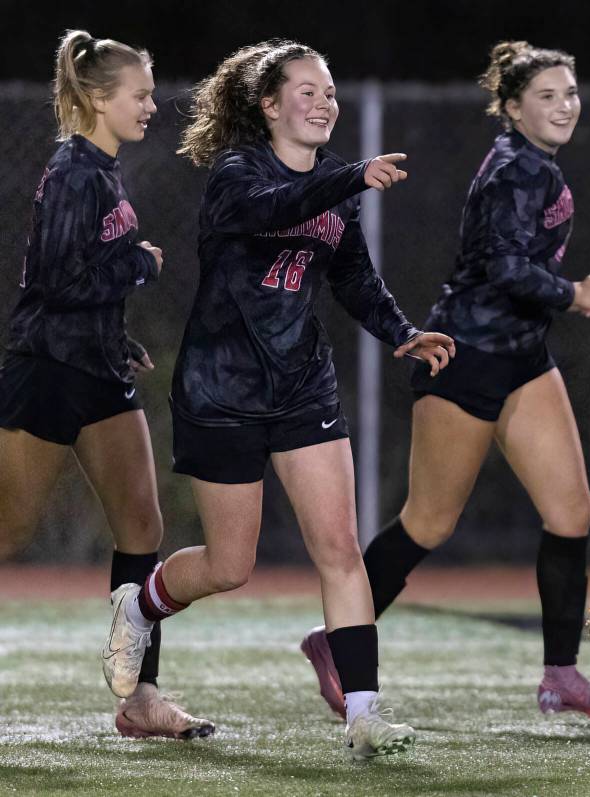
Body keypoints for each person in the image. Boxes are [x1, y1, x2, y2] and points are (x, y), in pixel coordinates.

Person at [100, 40, 454, 760]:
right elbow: (274, 208)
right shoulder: (237, 174)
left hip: (302, 387)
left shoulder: (333, 187)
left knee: (341, 548)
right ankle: (140, 603)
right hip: (222, 389)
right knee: (232, 565)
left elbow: (354, 278)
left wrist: (403, 332)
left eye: (330, 93)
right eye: (308, 91)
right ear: (268, 105)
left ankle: (363, 713)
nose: (325, 103)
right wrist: (351, 176)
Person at [300, 40, 590, 719]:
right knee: (429, 520)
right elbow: (506, 269)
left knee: (572, 512)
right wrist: (575, 294)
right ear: (511, 108)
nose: (564, 105)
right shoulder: (515, 169)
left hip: (521, 354)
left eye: (570, 93)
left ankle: (560, 674)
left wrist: (561, 299)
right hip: (468, 355)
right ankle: (335, 638)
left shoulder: (537, 165)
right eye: (546, 95)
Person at [0, 29, 213, 740]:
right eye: (141, 94)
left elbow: (80, 278)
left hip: (95, 369)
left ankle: (140, 698)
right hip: (48, 371)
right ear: (98, 98)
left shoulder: (105, 169)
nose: (153, 105)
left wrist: (115, 335)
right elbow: (58, 282)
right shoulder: (72, 173)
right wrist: (140, 266)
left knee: (143, 528)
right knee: (10, 527)